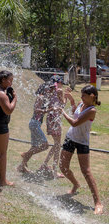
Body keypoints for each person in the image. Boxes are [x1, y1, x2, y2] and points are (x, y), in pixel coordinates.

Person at [60, 85, 103, 215]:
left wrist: (62, 111)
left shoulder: (92, 110)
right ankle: (75, 184)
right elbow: (75, 110)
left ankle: (98, 203)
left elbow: (74, 122)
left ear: (92, 96)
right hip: (70, 138)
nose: (81, 97)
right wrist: (71, 100)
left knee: (86, 171)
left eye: (84, 95)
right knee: (63, 167)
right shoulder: (81, 103)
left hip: (82, 142)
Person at [17, 81, 56, 173]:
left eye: (52, 88)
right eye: (50, 88)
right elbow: (36, 110)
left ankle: (21, 166)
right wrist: (48, 110)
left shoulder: (45, 98)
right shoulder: (41, 97)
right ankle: (26, 154)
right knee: (45, 145)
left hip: (36, 124)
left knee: (34, 146)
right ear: (45, 88)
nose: (51, 90)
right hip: (34, 124)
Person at [38, 75, 66, 178]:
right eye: (61, 83)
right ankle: (54, 171)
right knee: (58, 145)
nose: (62, 85)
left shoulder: (49, 90)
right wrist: (65, 97)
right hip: (55, 119)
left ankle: (44, 165)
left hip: (50, 118)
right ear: (57, 82)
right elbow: (62, 106)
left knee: (57, 144)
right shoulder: (59, 91)